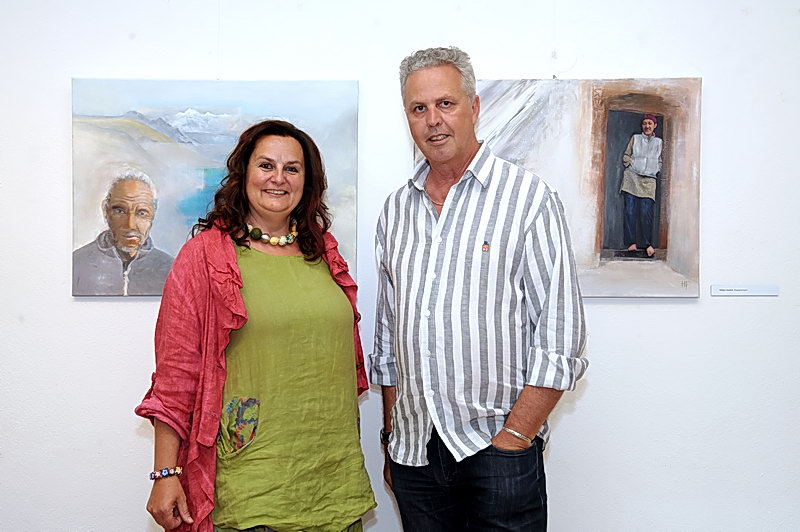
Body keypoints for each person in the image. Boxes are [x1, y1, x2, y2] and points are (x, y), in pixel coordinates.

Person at [370, 46, 588, 531]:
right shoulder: (395, 211)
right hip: (414, 455)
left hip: (497, 450)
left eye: (445, 103)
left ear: (473, 106)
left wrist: (515, 438)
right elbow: (388, 341)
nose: (433, 120)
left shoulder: (528, 198)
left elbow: (561, 336)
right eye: (418, 108)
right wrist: (391, 438)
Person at [135, 120, 375, 532]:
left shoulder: (325, 253)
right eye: (266, 165)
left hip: (334, 482)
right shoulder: (205, 258)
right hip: (252, 486)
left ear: (307, 181)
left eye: (292, 168)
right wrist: (165, 473)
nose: (278, 178)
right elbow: (176, 376)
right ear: (243, 174)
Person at [72, 170, 173, 296]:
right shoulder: (76, 264)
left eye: (142, 213)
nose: (130, 225)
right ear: (106, 211)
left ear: (153, 214)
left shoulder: (170, 269)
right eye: (120, 211)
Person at [620, 113, 663, 257]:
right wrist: (632, 164)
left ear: (654, 125)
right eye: (645, 123)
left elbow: (660, 160)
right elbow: (626, 155)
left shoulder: (659, 142)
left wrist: (656, 169)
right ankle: (631, 243)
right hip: (632, 178)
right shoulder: (635, 138)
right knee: (630, 211)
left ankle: (647, 243)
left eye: (650, 123)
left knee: (646, 212)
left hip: (649, 180)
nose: (647, 126)